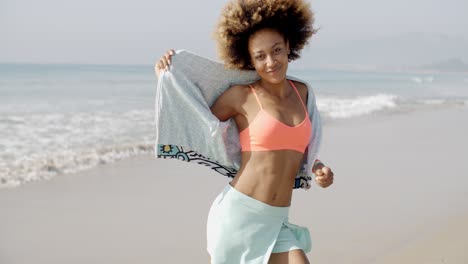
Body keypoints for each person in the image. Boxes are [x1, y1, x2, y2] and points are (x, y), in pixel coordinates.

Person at [155, 0, 334, 263]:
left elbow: (301, 149)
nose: (270, 62)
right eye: (260, 56)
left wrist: (318, 168)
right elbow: (198, 121)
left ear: (289, 47)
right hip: (238, 216)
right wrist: (167, 80)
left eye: (277, 51)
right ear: (249, 59)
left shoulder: (303, 93)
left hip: (277, 220)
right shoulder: (240, 96)